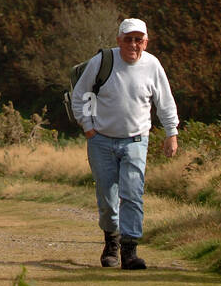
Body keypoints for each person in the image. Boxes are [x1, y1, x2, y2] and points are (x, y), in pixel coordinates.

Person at [70, 18, 179, 270]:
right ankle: (111, 243)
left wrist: (171, 132)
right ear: (118, 40)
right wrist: (88, 128)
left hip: (136, 140)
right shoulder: (102, 61)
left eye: (138, 39)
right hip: (101, 142)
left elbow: (165, 101)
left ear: (146, 42)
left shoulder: (153, 65)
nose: (133, 44)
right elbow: (80, 95)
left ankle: (130, 251)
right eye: (128, 39)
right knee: (107, 197)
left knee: (132, 195)